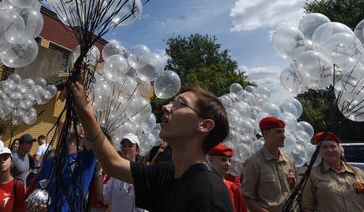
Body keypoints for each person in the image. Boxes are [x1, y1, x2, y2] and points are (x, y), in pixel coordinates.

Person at [71, 82, 233, 212]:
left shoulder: (209, 196)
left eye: (180, 104)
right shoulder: (167, 173)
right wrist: (85, 112)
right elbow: (113, 164)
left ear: (204, 125)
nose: (166, 107)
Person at [301, 132, 364, 212]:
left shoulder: (358, 173)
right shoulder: (312, 175)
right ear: (319, 152)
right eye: (324, 147)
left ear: (340, 150)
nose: (330, 150)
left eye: (333, 146)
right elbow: (307, 206)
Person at [34, 125, 97, 211]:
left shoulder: (85, 161)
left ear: (83, 134)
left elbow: (94, 135)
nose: (72, 122)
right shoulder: (50, 161)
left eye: (77, 121)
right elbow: (39, 188)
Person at [241, 116, 297, 212]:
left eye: (283, 132)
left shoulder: (289, 161)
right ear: (265, 134)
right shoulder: (254, 162)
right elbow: (246, 198)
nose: (283, 136)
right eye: (278, 132)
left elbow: (294, 190)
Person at [103, 133, 147, 212]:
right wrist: (97, 172)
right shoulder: (115, 175)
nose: (126, 148)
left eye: (130, 145)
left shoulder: (143, 174)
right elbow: (103, 196)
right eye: (123, 145)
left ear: (137, 150)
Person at [208, 144, 247, 212]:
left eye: (229, 161)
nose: (228, 164)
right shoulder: (205, 186)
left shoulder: (233, 188)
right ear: (211, 160)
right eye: (223, 160)